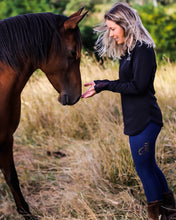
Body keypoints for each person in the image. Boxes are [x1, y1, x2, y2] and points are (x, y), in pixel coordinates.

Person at [81, 2, 176, 220]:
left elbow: (138, 86)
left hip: (146, 121)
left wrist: (105, 85)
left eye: (113, 28)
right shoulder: (129, 51)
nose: (111, 34)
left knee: (144, 169)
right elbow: (128, 83)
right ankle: (170, 212)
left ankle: (157, 215)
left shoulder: (143, 49)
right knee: (149, 166)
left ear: (126, 24)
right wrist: (101, 84)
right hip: (136, 121)